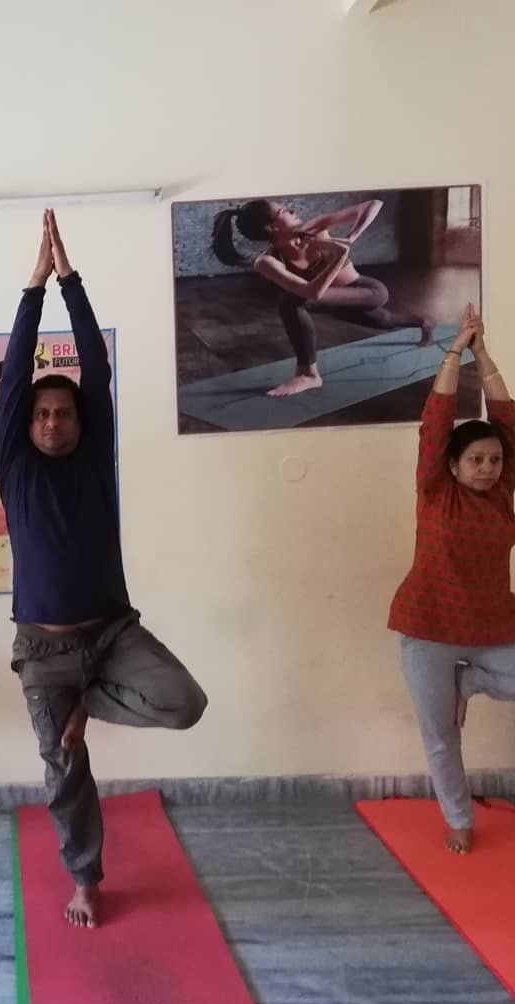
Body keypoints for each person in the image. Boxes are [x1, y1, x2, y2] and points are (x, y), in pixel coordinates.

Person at [0, 211, 207, 928]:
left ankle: (88, 701)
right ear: (27, 424)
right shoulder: (16, 467)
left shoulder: (93, 462)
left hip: (114, 633)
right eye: (43, 413)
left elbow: (95, 362)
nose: (54, 420)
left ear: (83, 423)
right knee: (63, 770)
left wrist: (69, 281)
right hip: (45, 648)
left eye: (65, 412)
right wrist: (31, 290)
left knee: (185, 702)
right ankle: (85, 877)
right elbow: (19, 369)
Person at [389, 302, 515, 855]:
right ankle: (459, 819)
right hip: (427, 625)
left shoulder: (505, 496)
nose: (487, 468)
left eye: (494, 460)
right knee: (441, 736)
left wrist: (485, 352)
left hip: (491, 624)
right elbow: (436, 418)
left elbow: (507, 414)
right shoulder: (434, 492)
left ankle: (466, 684)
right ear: (455, 464)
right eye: (476, 460)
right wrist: (455, 350)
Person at [211, 198, 434, 397]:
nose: (293, 210)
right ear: (271, 227)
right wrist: (339, 255)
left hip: (368, 291)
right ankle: (424, 322)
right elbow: (313, 293)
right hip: (335, 303)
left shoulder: (316, 227)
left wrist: (350, 239)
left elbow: (373, 204)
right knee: (381, 321)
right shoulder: (267, 262)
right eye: (284, 212)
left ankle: (308, 374)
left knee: (292, 302)